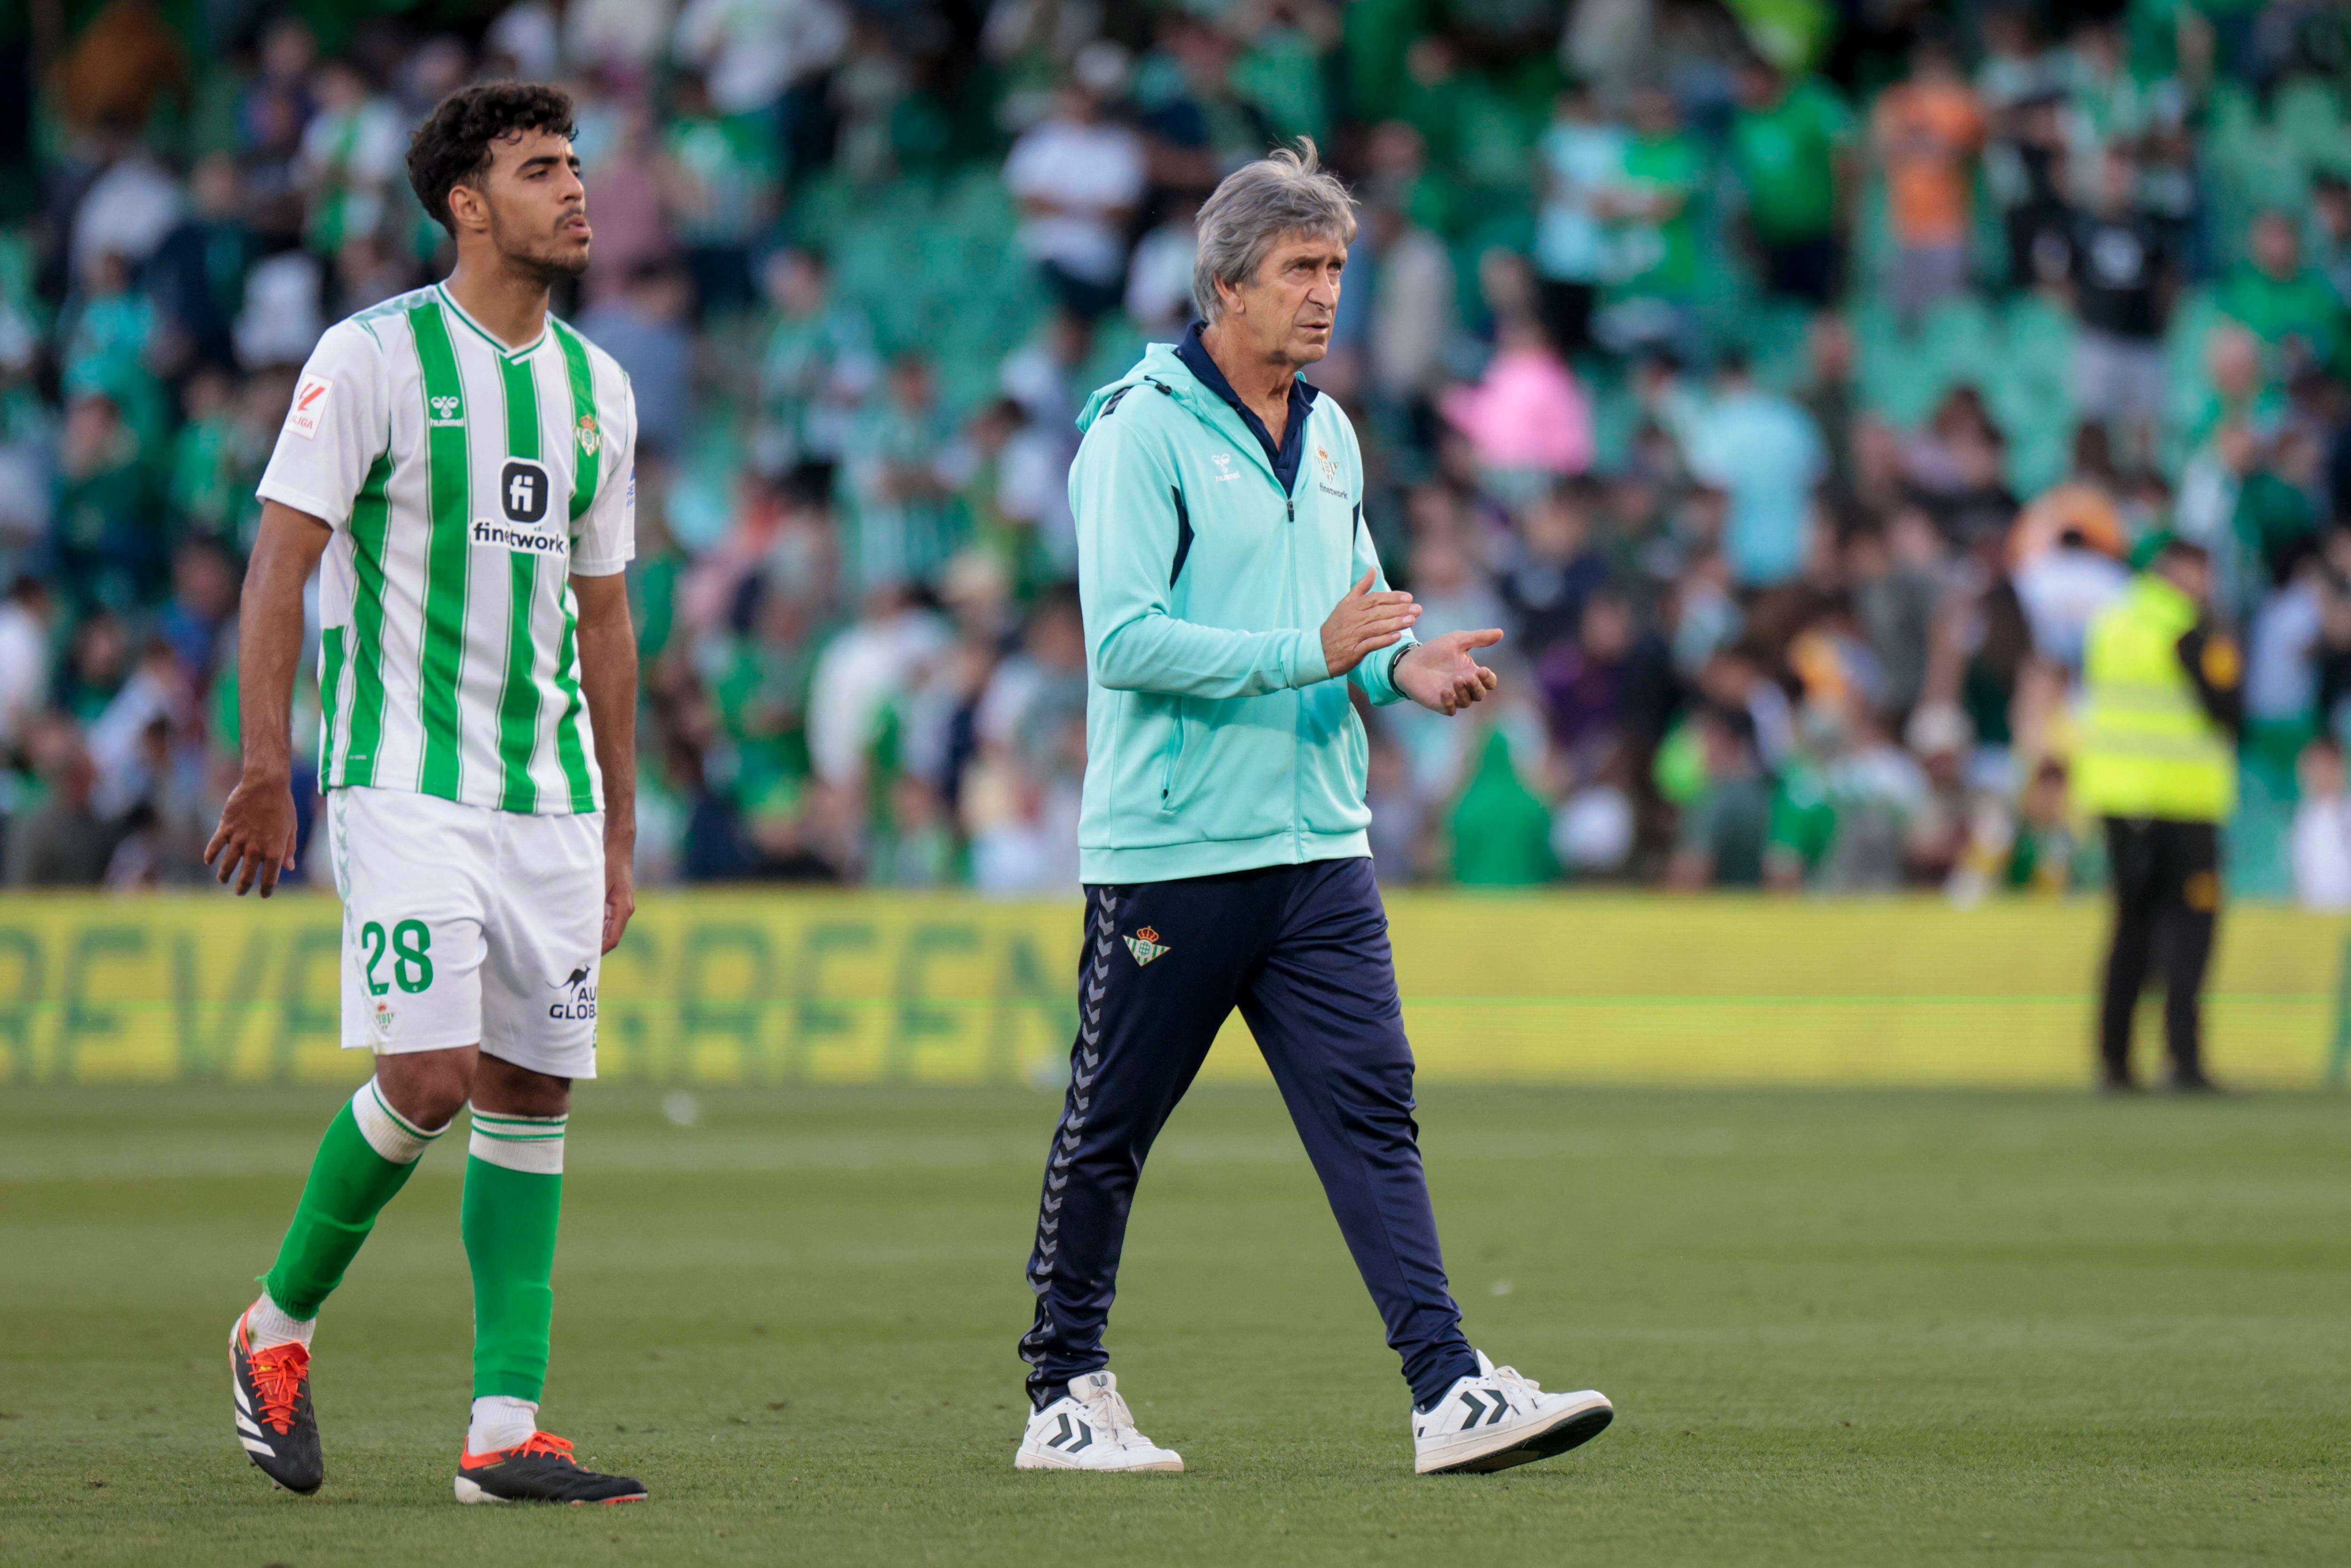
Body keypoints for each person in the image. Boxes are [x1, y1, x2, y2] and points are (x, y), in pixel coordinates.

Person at [1014, 143, 1613, 1478]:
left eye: (1338, 267)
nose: (1327, 294)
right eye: (1301, 268)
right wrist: (1317, 650)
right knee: (1111, 1125)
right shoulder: (1137, 428)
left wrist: (1412, 665)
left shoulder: (1331, 428)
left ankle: (1448, 1386)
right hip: (1176, 851)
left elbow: (1362, 608)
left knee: (1374, 1108)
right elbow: (1121, 640)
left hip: (1317, 848)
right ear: (1225, 282)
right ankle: (1063, 1389)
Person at [204, 83, 647, 1505]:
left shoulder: (598, 386)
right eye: (540, 170)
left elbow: (607, 619)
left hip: (552, 799)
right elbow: (280, 561)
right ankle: (274, 1326)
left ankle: (501, 1426)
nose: (575, 191)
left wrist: (621, 828)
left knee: (531, 1089)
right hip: (404, 783)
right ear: (468, 202)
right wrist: (270, 761)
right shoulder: (374, 355)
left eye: (575, 165)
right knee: (432, 1074)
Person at [2072, 536, 2240, 1093]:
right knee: (2190, 930)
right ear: (2181, 572)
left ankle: (2113, 1061)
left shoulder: (2112, 622)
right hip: (2181, 801)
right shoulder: (2186, 629)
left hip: (2119, 799)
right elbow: (2227, 709)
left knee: (2130, 929)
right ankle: (2182, 1058)